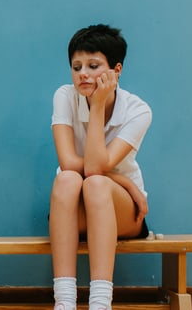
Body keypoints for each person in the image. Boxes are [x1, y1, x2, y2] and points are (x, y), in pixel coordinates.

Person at [48, 24, 153, 310]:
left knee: (94, 183)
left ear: (116, 71)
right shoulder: (64, 96)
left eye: (93, 66)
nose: (83, 73)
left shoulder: (138, 111)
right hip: (72, 207)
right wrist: (125, 180)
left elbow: (95, 169)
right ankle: (65, 302)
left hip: (122, 211)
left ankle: (100, 303)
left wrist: (97, 107)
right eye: (76, 66)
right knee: (68, 179)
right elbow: (68, 162)